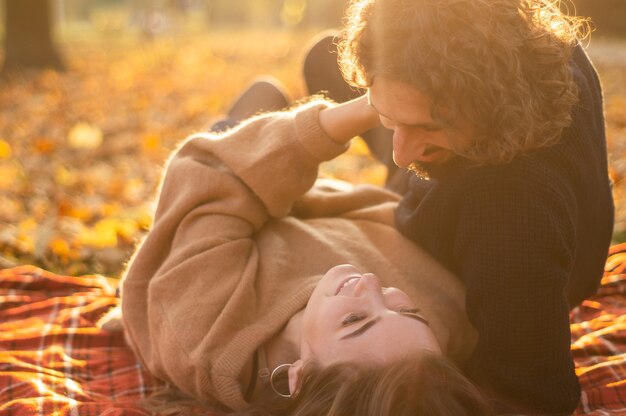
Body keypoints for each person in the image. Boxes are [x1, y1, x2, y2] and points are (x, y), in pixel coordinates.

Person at [100, 79, 492, 415]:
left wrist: (365, 109)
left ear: (298, 376)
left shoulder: (204, 331)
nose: (371, 285)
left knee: (261, 94)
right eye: (406, 309)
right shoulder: (441, 339)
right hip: (365, 203)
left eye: (354, 321)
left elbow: (208, 175)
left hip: (230, 192)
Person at [300, 0, 614, 413]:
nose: (400, 153)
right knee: (323, 57)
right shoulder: (545, 48)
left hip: (488, 241)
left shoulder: (508, 213)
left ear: (493, 105)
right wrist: (397, 106)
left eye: (428, 126)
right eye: (390, 116)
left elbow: (533, 398)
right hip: (471, 192)